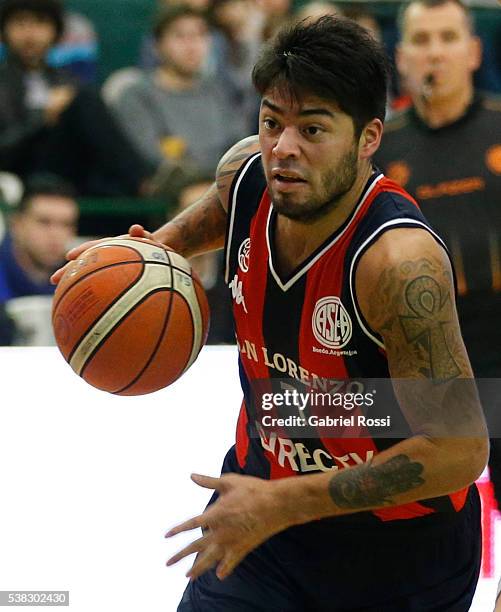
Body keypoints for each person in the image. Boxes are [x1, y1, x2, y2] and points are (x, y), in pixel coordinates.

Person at [53, 16, 488, 611]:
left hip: (399, 553)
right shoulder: (250, 174)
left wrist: (285, 503)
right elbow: (218, 211)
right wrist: (144, 258)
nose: (284, 147)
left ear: (368, 138)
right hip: (265, 517)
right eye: (271, 122)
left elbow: (460, 450)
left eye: (313, 128)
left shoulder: (398, 261)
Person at [375, 0, 501, 509]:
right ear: (401, 58)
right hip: (416, 358)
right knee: (422, 516)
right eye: (422, 41)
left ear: (473, 52)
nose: (435, 54)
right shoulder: (377, 147)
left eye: (448, 39)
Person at [0, 0, 153, 196]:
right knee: (84, 99)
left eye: (40, 23)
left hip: (71, 173)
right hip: (19, 173)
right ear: (4, 30)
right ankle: (144, 181)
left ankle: (144, 183)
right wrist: (42, 120)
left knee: (86, 98)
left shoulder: (68, 82)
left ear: (55, 31)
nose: (30, 34)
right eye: (20, 23)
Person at [110, 5, 248, 199]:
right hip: (169, 197)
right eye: (180, 36)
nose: (192, 46)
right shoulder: (136, 94)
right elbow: (154, 160)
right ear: (157, 46)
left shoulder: (221, 91)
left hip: (223, 187)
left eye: (200, 35)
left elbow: (240, 147)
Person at [0, 172, 77, 302]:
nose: (56, 234)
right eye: (44, 222)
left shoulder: (78, 280)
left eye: (66, 224)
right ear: (16, 224)